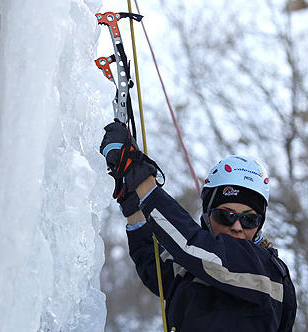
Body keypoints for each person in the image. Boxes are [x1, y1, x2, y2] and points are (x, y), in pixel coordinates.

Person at [100, 121, 297, 332]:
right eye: (226, 216)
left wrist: (137, 173)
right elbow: (156, 267)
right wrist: (133, 208)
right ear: (207, 216)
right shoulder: (200, 265)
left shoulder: (266, 269)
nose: (238, 227)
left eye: (250, 219)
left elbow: (188, 242)